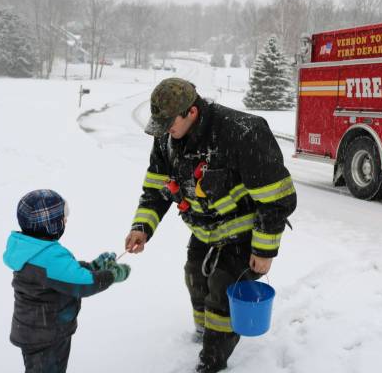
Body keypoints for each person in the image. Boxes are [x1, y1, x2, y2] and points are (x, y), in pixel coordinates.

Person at [125, 78, 297, 373]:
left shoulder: (243, 133)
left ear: (191, 112)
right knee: (195, 278)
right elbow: (156, 188)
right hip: (204, 230)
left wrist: (264, 249)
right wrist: (142, 226)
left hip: (244, 233)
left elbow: (277, 198)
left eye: (169, 123)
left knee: (222, 293)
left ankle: (211, 361)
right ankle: (204, 335)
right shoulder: (168, 137)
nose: (165, 130)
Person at [3, 189, 131, 373]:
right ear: (51, 225)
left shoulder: (29, 248)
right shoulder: (49, 257)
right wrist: (111, 275)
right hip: (47, 336)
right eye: (63, 218)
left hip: (35, 330)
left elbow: (64, 273)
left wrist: (93, 266)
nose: (66, 221)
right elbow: (83, 284)